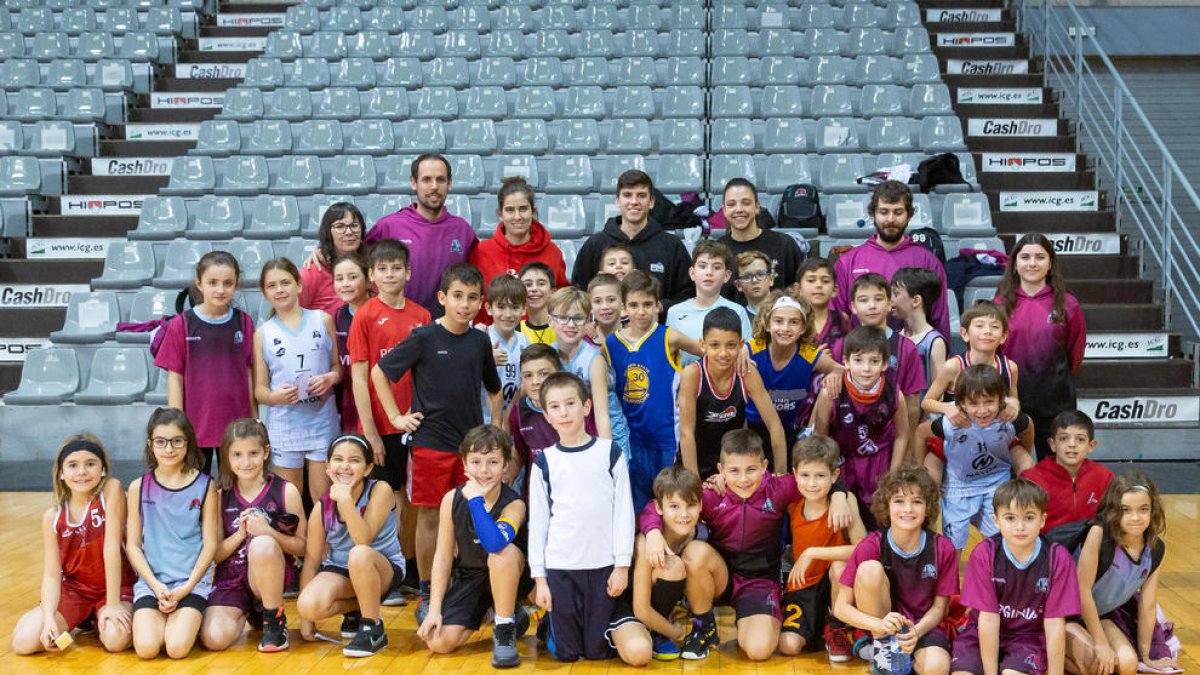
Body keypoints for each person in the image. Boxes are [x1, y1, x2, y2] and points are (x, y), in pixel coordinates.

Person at [641, 430, 847, 662]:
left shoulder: (779, 489)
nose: (743, 479)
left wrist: (840, 494)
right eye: (734, 471)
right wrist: (653, 532)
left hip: (759, 581)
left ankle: (755, 620)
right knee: (695, 553)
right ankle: (703, 627)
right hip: (721, 576)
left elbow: (819, 476)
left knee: (759, 651)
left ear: (764, 466)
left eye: (751, 469)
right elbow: (658, 504)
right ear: (720, 470)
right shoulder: (711, 495)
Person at [372, 263, 502, 616]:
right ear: (443, 298)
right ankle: (429, 590)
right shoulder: (424, 337)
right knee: (429, 517)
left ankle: (475, 587)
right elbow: (379, 372)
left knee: (475, 518)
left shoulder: (479, 341)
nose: (465, 304)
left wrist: (497, 433)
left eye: (473, 298)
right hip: (429, 444)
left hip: (472, 451)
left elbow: (494, 390)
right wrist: (397, 418)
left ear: (481, 303)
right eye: (457, 296)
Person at [528, 372, 636, 663]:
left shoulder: (609, 453)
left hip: (602, 566)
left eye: (570, 403)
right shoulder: (544, 463)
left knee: (597, 652)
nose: (564, 412)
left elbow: (624, 512)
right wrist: (540, 580)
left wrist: (622, 566)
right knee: (567, 654)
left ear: (586, 406)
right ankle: (548, 625)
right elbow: (538, 525)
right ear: (546, 414)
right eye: (555, 406)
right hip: (561, 568)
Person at [346, 239, 429, 600]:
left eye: (397, 267)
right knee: (386, 496)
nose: (390, 274)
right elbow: (360, 377)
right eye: (382, 268)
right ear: (371, 275)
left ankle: (409, 569)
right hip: (382, 426)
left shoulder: (421, 316)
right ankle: (384, 566)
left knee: (414, 498)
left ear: (408, 272)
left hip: (417, 422)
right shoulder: (364, 315)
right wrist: (371, 432)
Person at [417, 426, 532, 668]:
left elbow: (493, 543)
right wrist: (435, 609)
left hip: (511, 574)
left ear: (505, 466)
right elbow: (443, 556)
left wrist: (477, 501)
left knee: (501, 554)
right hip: (471, 577)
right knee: (438, 643)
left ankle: (504, 627)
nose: (484, 470)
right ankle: (500, 613)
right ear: (465, 465)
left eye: (492, 462)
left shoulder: (514, 504)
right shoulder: (451, 499)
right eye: (476, 461)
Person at [12, 435, 136, 655]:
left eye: (90, 464)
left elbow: (111, 549)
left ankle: (100, 620)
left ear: (103, 469)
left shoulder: (110, 491)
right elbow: (52, 575)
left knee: (115, 641)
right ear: (61, 472)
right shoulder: (52, 517)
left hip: (115, 588)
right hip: (76, 591)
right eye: (72, 465)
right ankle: (79, 624)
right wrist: (49, 617)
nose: (82, 472)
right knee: (24, 643)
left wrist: (114, 604)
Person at [834, 467, 957, 675]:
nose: (907, 509)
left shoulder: (943, 548)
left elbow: (939, 609)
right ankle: (884, 651)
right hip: (883, 625)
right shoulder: (871, 545)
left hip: (922, 626)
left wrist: (915, 632)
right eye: (899, 501)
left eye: (917, 502)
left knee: (937, 668)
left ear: (927, 508)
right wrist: (880, 625)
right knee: (869, 570)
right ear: (887, 506)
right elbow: (841, 608)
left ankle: (907, 658)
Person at [951, 478, 1081, 675]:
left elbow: (1054, 623)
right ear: (996, 521)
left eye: (1029, 517)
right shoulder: (984, 554)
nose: (1020, 527)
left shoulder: (1058, 558)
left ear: (1042, 520)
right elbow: (988, 620)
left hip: (1028, 637)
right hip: (980, 633)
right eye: (1010, 518)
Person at [200, 419, 307, 653]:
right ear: (226, 456)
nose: (246, 462)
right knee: (213, 639)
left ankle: (274, 618)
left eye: (253, 453)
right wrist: (240, 534)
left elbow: (302, 547)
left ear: (266, 452)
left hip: (269, 575)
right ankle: (252, 614)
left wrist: (268, 532)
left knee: (262, 545)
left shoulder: (285, 491)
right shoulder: (220, 495)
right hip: (232, 578)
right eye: (237, 454)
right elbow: (215, 554)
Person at [296, 434, 406, 658]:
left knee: (359, 554)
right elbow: (312, 561)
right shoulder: (321, 507)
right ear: (327, 466)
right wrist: (305, 621)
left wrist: (346, 501)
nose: (345, 466)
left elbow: (363, 539)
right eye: (338, 459)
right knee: (307, 605)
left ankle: (372, 627)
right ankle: (358, 607)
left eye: (354, 460)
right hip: (341, 570)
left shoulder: (380, 490)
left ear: (367, 469)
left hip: (380, 567)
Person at [125, 408, 220, 659]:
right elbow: (133, 545)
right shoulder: (138, 486)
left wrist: (188, 586)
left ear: (188, 442)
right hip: (152, 583)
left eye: (177, 441)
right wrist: (156, 586)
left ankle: (193, 620)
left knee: (177, 649)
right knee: (146, 649)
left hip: (191, 583)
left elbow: (211, 545)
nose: (169, 449)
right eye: (161, 442)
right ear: (150, 444)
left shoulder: (206, 485)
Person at [605, 270, 702, 509]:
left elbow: (707, 350)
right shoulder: (610, 344)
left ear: (658, 305)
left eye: (647, 304)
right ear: (624, 308)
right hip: (630, 440)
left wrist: (742, 351)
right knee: (636, 505)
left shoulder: (670, 337)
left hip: (666, 437)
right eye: (634, 305)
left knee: (669, 500)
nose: (641, 311)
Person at [154, 251, 256, 473]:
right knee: (196, 490)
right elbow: (175, 378)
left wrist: (254, 420)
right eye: (212, 282)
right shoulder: (182, 325)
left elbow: (249, 373)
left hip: (236, 427)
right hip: (195, 426)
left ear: (237, 284)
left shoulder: (244, 322)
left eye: (227, 283)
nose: (220, 290)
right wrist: (176, 424)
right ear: (199, 284)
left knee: (235, 490)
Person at [1065, 473, 1176, 675]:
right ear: (1113, 511)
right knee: (1097, 664)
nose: (1135, 517)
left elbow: (1148, 605)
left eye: (1143, 509)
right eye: (1126, 510)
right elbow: (1082, 591)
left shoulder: (1155, 548)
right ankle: (1047, 652)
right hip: (1066, 615)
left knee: (1127, 665)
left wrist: (1146, 655)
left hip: (1101, 616)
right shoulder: (1099, 534)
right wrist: (1100, 643)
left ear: (1153, 510)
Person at [918, 365, 1034, 551]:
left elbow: (1028, 427)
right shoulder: (950, 423)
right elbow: (920, 433)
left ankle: (997, 577)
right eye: (974, 403)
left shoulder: (1008, 419)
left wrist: (1018, 456)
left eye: (989, 402)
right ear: (961, 403)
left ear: (1000, 400)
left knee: (997, 544)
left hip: (996, 483)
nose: (982, 410)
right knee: (953, 548)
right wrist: (919, 465)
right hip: (959, 488)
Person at [253, 259, 342, 501]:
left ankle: (324, 541)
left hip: (322, 421)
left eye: (285, 283)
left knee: (324, 499)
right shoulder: (263, 334)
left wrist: (329, 378)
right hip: (284, 425)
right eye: (272, 286)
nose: (279, 289)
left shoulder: (322, 320)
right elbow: (260, 390)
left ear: (299, 285)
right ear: (264, 293)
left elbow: (338, 368)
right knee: (289, 501)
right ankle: (296, 540)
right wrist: (274, 397)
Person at [995, 233, 1087, 460]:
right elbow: (994, 354)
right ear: (1015, 264)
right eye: (1025, 257)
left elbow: (1074, 354)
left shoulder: (1068, 304)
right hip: (1012, 400)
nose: (1032, 263)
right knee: (1013, 467)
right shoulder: (1000, 303)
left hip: (1055, 400)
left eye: (1040, 257)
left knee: (1057, 466)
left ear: (1050, 263)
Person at [781, 436, 868, 659]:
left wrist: (812, 553)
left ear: (835, 475)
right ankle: (821, 627)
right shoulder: (792, 499)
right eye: (805, 475)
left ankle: (837, 626)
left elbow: (863, 549)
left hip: (836, 585)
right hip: (804, 585)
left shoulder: (845, 501)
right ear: (795, 474)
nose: (811, 483)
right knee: (788, 646)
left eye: (820, 476)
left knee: (839, 566)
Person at [630, 466, 728, 662]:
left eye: (690, 505)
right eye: (674, 506)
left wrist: (723, 480)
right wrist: (676, 633)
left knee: (696, 552)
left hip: (712, 590)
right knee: (671, 566)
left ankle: (704, 626)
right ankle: (658, 632)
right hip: (642, 605)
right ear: (659, 508)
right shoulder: (647, 541)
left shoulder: (700, 530)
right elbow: (640, 608)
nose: (684, 514)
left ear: (701, 505)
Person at [832, 180, 951, 340]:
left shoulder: (928, 261)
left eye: (898, 212)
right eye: (884, 212)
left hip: (915, 357)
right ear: (873, 214)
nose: (890, 219)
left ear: (909, 215)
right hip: (862, 357)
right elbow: (838, 318)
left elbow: (939, 318)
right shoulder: (848, 262)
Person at [921, 302, 1022, 485]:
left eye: (994, 327)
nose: (987, 331)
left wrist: (1014, 404)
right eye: (980, 325)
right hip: (958, 434)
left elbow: (1014, 399)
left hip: (994, 435)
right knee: (930, 478)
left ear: (1004, 336)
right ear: (965, 334)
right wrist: (946, 408)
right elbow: (927, 402)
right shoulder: (953, 366)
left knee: (1025, 438)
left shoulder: (1010, 367)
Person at [678, 307, 786, 478]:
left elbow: (775, 425)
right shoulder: (692, 374)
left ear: (741, 345)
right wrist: (695, 486)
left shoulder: (747, 373)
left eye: (731, 345)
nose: (723, 353)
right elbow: (686, 434)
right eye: (715, 345)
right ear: (703, 345)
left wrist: (781, 474)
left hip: (733, 467)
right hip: (695, 464)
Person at [366, 154, 477, 317]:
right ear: (413, 183)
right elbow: (354, 260)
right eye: (426, 180)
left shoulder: (462, 230)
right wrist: (323, 253)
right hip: (398, 326)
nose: (434, 186)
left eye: (440, 180)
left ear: (449, 184)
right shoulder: (389, 226)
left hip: (446, 329)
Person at [814, 326, 910, 512]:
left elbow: (902, 436)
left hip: (877, 462)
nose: (866, 368)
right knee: (842, 515)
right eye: (858, 360)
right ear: (846, 361)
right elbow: (820, 437)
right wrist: (827, 474)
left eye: (874, 361)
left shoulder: (895, 395)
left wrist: (893, 475)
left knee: (878, 517)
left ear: (884, 364)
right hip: (841, 461)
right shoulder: (830, 393)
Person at [571, 169, 694, 312]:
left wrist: (661, 306)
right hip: (606, 332)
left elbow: (688, 295)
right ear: (617, 201)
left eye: (641, 195)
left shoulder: (672, 246)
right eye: (627, 195)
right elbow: (578, 292)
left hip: (656, 329)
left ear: (652, 201)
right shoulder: (595, 244)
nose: (634, 202)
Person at [746, 289, 843, 463]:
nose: (785, 328)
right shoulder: (752, 349)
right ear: (767, 324)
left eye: (793, 322)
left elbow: (840, 370)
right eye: (778, 321)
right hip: (750, 429)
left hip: (789, 430)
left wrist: (833, 375)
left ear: (803, 328)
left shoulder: (809, 355)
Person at [833, 273, 925, 453]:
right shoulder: (842, 346)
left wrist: (909, 452)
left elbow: (912, 403)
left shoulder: (906, 348)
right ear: (853, 306)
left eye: (879, 299)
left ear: (890, 304)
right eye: (864, 300)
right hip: (847, 443)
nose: (872, 306)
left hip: (890, 445)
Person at [469, 175, 568, 325]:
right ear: (500, 214)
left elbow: (562, 300)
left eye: (523, 209)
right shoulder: (482, 252)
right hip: (494, 341)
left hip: (541, 341)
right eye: (510, 210)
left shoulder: (552, 252)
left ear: (533, 211)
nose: (517, 216)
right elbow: (474, 298)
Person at [549, 286, 629, 458]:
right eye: (563, 318)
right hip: (576, 436)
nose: (570, 324)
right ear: (550, 320)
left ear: (587, 322)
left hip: (608, 436)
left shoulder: (594, 360)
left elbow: (602, 417)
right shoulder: (548, 355)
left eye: (578, 318)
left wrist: (608, 458)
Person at [508, 344, 599, 494]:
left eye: (543, 373)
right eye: (528, 375)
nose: (535, 381)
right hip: (539, 496)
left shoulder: (577, 407)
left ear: (558, 373)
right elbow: (519, 453)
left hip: (578, 491)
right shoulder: (519, 411)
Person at [666, 239, 754, 367]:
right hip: (684, 382)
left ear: (727, 276)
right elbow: (670, 357)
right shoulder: (675, 312)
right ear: (692, 273)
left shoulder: (737, 311)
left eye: (717, 267)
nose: (709, 272)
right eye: (702, 266)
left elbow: (745, 353)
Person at [1022, 411, 1113, 532]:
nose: (1072, 444)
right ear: (1052, 444)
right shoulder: (1031, 479)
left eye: (1080, 439)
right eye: (1064, 438)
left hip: (1090, 546)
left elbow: (1113, 518)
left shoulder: (1104, 476)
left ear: (1091, 445)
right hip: (1048, 547)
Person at [717, 178, 805, 302]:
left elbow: (800, 291)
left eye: (746, 203)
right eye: (731, 204)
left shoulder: (784, 244)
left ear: (757, 207)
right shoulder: (718, 251)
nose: (739, 209)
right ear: (724, 210)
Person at [891, 267, 948, 407]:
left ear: (916, 300)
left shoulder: (935, 341)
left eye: (896, 294)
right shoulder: (895, 336)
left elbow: (937, 395)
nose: (890, 299)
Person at [301, 202, 368, 316]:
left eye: (354, 225)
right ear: (328, 232)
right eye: (340, 226)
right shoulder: (313, 272)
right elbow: (289, 315)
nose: (349, 232)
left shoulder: (371, 268)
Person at [480, 273, 529, 425]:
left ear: (524, 309)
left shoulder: (524, 341)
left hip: (514, 423)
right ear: (489, 308)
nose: (508, 314)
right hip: (483, 423)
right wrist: (485, 360)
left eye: (514, 307)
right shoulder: (480, 337)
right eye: (501, 307)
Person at [332, 252, 371, 434]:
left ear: (368, 278)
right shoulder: (337, 317)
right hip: (347, 405)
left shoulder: (380, 313)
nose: (345, 283)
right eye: (339, 278)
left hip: (380, 405)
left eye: (352, 277)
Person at [798, 256, 851, 347]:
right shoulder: (793, 320)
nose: (819, 285)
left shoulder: (842, 319)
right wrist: (815, 358)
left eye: (825, 281)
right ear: (798, 289)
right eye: (811, 280)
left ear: (835, 290)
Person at [518, 261, 557, 345]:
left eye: (541, 284)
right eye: (528, 285)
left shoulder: (563, 327)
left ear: (553, 292)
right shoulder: (514, 328)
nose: (534, 289)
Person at [734, 250, 776, 316]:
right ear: (738, 285)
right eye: (746, 277)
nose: (754, 280)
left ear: (771, 279)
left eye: (760, 274)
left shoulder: (786, 311)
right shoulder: (738, 318)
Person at [587, 272, 625, 344]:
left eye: (611, 300)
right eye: (597, 301)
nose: (605, 306)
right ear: (590, 307)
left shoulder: (634, 336)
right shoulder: (583, 339)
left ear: (622, 303)